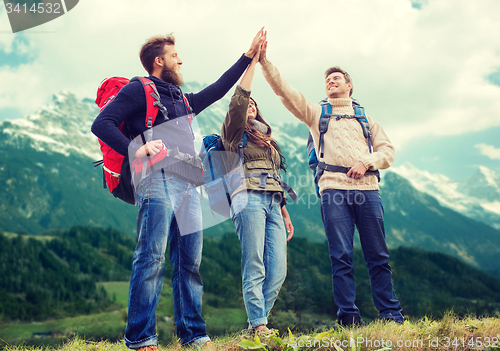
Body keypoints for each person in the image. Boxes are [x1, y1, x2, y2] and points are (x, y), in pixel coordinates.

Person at [91, 29, 266, 350]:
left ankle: (194, 336)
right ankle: (141, 339)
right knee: (152, 257)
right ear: (159, 61)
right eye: (174, 56)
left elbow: (218, 89)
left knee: (189, 263)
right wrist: (136, 147)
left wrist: (248, 55)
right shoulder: (137, 90)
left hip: (188, 182)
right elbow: (101, 124)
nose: (180, 60)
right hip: (156, 178)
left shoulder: (183, 100)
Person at [258, 40, 404, 326]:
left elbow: (388, 152)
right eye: (327, 80)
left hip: (368, 190)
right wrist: (264, 62)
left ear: (349, 85)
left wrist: (367, 162)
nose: (330, 82)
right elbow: (285, 93)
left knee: (378, 255)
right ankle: (348, 317)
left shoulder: (366, 120)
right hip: (333, 190)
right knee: (341, 256)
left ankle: (390, 314)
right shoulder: (317, 114)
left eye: (336, 78)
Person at [220, 41, 294, 335]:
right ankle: (260, 326)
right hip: (246, 198)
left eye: (254, 104)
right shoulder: (233, 132)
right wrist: (253, 62)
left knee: (277, 270)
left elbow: (274, 174)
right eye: (248, 103)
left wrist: (285, 210)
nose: (250, 104)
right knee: (255, 264)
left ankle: (254, 326)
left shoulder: (268, 140)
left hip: (273, 203)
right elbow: (239, 98)